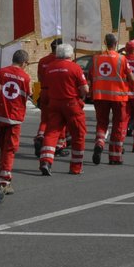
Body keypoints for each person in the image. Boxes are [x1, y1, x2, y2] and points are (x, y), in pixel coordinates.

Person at [37, 44, 87, 176]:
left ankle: (46, 161)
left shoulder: (50, 67)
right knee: (78, 134)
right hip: (72, 104)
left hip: (54, 103)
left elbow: (45, 86)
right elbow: (85, 89)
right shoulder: (75, 67)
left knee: (52, 133)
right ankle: (76, 167)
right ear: (70, 55)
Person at [0, 49, 32, 194]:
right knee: (9, 149)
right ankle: (4, 181)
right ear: (24, 62)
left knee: (1, 147)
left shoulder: (0, 72)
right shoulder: (25, 78)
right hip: (14, 118)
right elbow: (29, 95)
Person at [88, 33, 129, 165]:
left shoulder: (96, 58)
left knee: (102, 123)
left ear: (105, 43)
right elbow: (131, 77)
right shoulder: (122, 59)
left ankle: (100, 142)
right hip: (118, 96)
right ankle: (115, 156)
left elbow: (91, 75)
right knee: (118, 124)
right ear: (116, 44)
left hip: (100, 95)